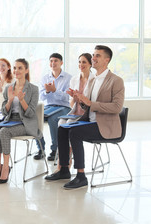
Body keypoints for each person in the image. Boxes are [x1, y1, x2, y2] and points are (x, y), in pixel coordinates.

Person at [45, 45, 125, 190]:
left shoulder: (116, 81)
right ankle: (63, 169)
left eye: (97, 56)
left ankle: (81, 176)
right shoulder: (93, 80)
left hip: (105, 126)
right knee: (63, 128)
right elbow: (86, 107)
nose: (93, 58)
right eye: (93, 55)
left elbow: (116, 107)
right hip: (89, 121)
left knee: (75, 133)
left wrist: (90, 103)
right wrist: (80, 100)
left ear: (107, 60)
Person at [0, 58, 42, 184]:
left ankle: (6, 168)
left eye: (20, 68)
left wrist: (22, 100)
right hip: (10, 120)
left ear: (26, 70)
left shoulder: (33, 89)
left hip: (26, 122)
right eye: (14, 68)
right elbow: (4, 111)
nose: (16, 70)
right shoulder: (9, 87)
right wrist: (9, 100)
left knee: (4, 131)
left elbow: (30, 113)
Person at [49, 53, 95, 174]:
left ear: (90, 64)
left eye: (84, 62)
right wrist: (74, 98)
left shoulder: (94, 80)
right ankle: (63, 161)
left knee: (68, 125)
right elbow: (71, 104)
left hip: (86, 115)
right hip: (74, 112)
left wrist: (81, 98)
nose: (81, 65)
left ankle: (63, 164)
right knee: (60, 123)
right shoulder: (74, 79)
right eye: (79, 62)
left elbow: (92, 102)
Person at [34, 53, 72, 161]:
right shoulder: (45, 78)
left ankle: (55, 149)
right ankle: (40, 148)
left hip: (64, 107)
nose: (53, 63)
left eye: (56, 61)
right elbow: (41, 97)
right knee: (34, 118)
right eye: (51, 61)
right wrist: (47, 91)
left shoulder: (68, 78)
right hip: (49, 106)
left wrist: (55, 91)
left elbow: (67, 98)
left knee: (53, 119)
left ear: (61, 63)